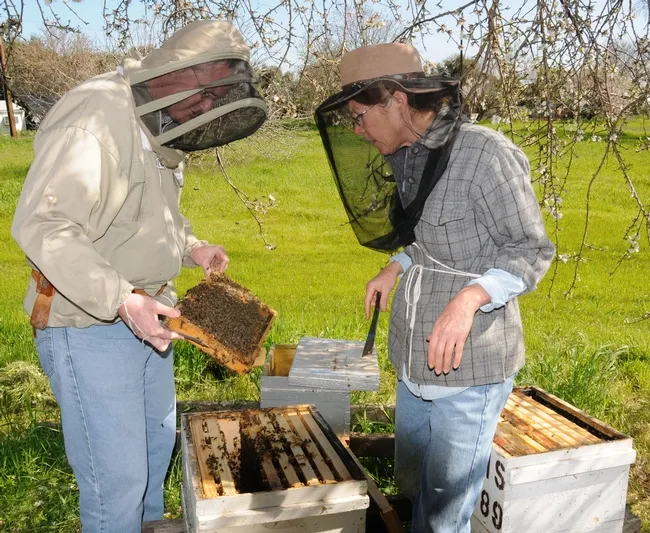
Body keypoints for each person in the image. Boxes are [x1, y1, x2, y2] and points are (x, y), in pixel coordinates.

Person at [11, 20, 267, 533]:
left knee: (154, 452)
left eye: (221, 95)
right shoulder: (97, 115)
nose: (207, 105)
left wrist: (194, 247)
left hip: (150, 320)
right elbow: (44, 225)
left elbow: (148, 213)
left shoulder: (161, 121)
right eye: (208, 91)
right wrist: (123, 299)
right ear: (178, 71)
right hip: (89, 325)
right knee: (118, 482)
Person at [315, 43, 554, 533]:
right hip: (411, 358)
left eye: (360, 117)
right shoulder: (409, 156)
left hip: (470, 367)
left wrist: (469, 299)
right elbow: (433, 241)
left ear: (397, 101)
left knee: (444, 512)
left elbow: (530, 250)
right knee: (411, 487)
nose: (357, 131)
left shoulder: (486, 154)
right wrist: (396, 265)